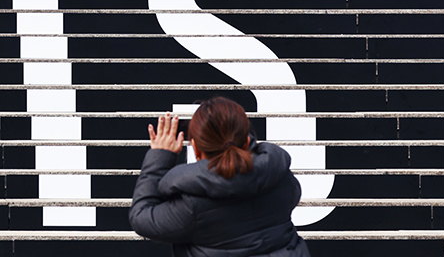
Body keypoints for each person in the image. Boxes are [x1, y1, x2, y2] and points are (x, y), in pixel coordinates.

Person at [129, 98, 312, 257]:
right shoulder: (280, 177)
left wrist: (161, 155)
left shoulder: (192, 206)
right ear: (247, 141)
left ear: (195, 149)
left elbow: (142, 217)